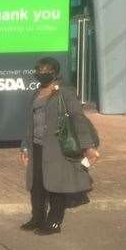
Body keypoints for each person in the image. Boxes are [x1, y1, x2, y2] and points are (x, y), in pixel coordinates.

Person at [19, 57, 99, 235]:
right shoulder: (36, 93)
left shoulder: (65, 92)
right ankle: (37, 218)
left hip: (57, 148)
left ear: (55, 73)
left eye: (45, 71)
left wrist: (88, 146)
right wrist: (25, 146)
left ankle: (54, 222)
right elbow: (30, 123)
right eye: (38, 70)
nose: (41, 74)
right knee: (36, 185)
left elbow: (78, 119)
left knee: (55, 185)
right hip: (37, 147)